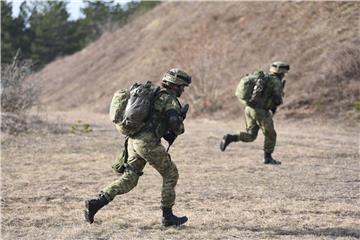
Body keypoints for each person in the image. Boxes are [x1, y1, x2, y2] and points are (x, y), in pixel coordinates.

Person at [84, 68, 191, 226]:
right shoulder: (169, 99)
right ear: (175, 85)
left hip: (134, 141)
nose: (183, 90)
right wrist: (181, 119)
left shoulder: (154, 95)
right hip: (147, 143)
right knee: (171, 174)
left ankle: (95, 203)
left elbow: (159, 126)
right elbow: (175, 125)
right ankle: (168, 217)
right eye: (182, 86)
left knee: (130, 179)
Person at [220, 62, 290, 165]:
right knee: (270, 134)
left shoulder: (263, 78)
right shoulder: (276, 82)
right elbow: (277, 100)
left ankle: (230, 137)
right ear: (282, 73)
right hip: (260, 111)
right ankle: (268, 158)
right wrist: (278, 98)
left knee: (251, 135)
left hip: (249, 108)